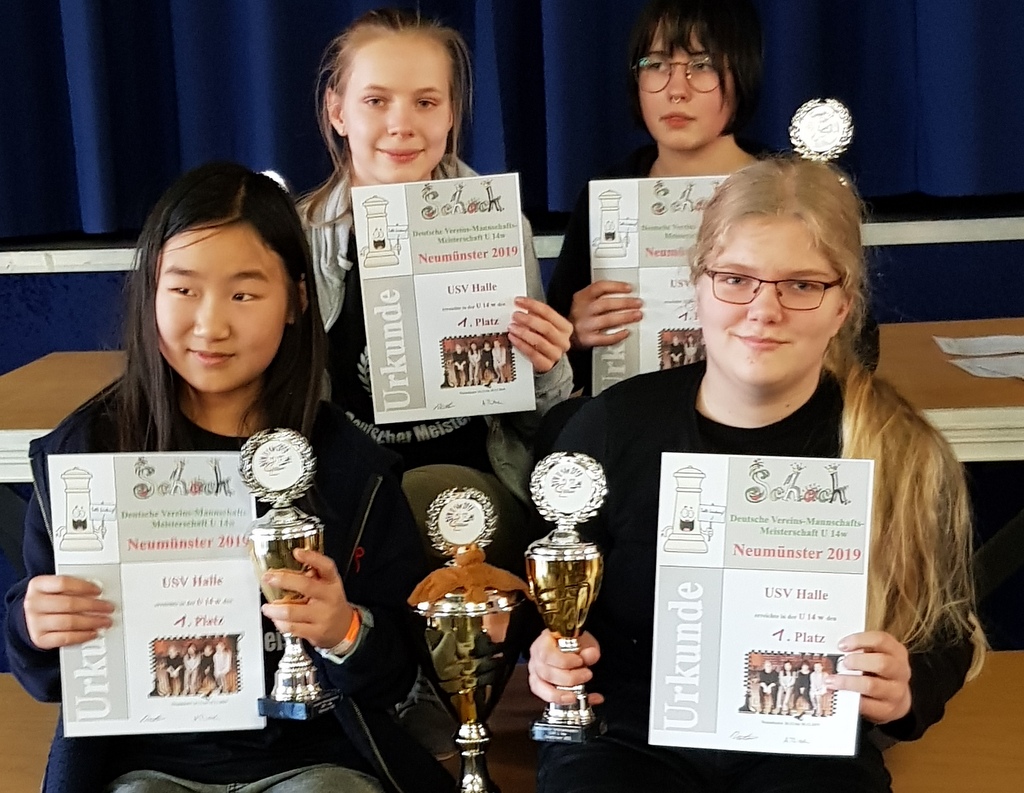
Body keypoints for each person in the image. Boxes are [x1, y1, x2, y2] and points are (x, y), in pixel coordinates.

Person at [528, 157, 986, 792]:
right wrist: (549, 655)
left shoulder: (901, 450)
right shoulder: (610, 429)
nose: (764, 310)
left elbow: (947, 631)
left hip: (806, 744)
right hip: (626, 738)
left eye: (801, 285)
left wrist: (905, 689)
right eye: (736, 279)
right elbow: (551, 604)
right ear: (698, 287)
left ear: (842, 305)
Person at [3, 163, 452, 793]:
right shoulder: (87, 455)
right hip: (147, 768)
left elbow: (404, 679)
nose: (210, 325)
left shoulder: (353, 466)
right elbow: (49, 676)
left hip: (319, 762)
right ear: (150, 292)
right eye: (183, 290)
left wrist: (346, 631)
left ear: (297, 300)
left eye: (244, 295)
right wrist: (35, 625)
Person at [300, 8, 573, 575]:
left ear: (451, 114)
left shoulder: (498, 226)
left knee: (428, 498)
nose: (402, 125)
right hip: (347, 496)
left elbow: (539, 422)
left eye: (425, 102)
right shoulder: (296, 240)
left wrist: (547, 366)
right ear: (337, 111)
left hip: (474, 491)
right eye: (376, 101)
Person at [547, 0, 763, 394]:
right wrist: (573, 334)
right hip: (634, 413)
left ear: (742, 73)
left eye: (702, 65)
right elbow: (554, 360)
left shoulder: (787, 188)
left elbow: (856, 346)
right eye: (657, 65)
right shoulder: (607, 194)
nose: (676, 90)